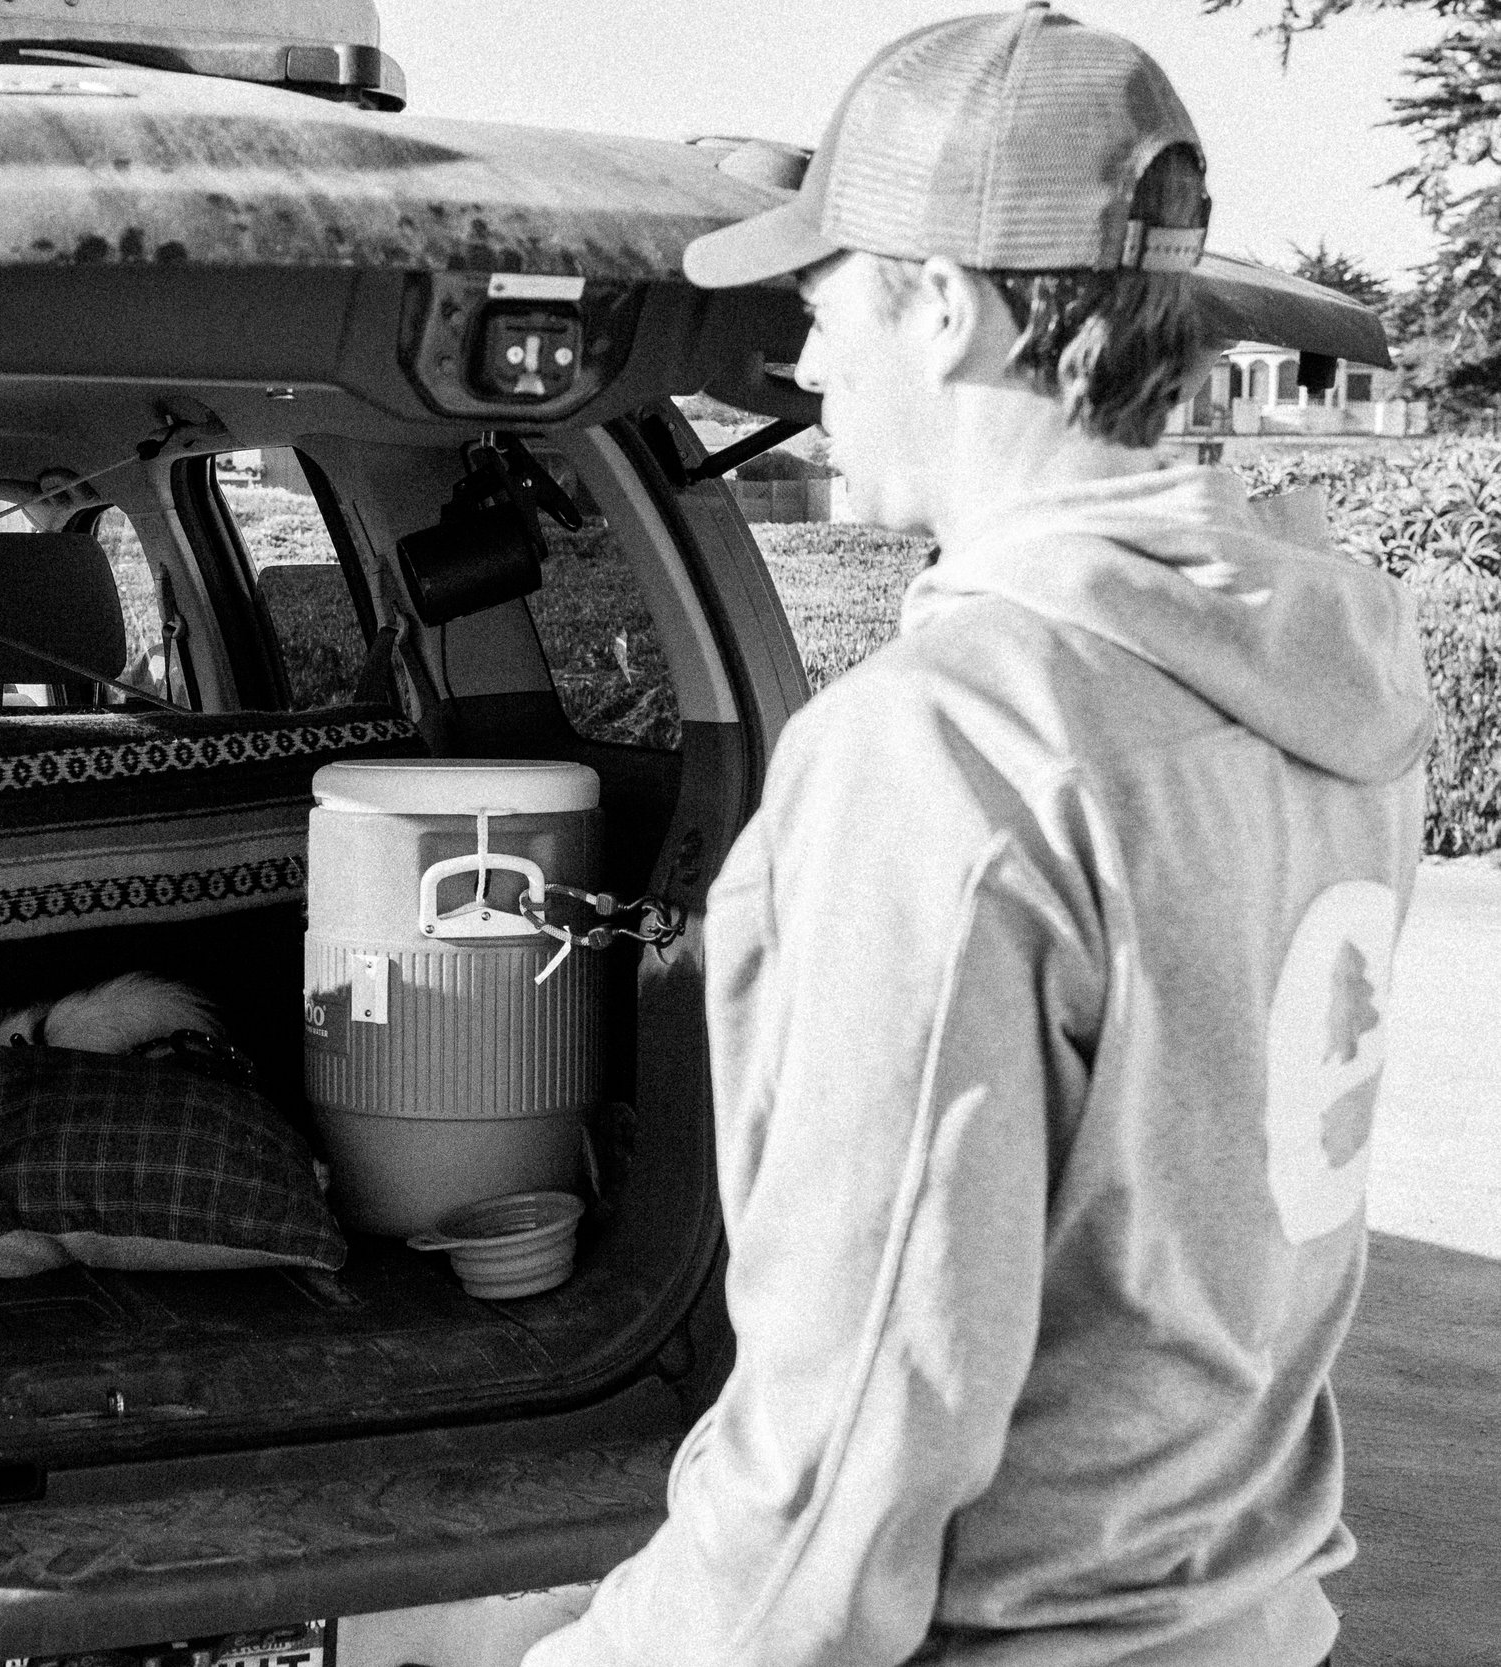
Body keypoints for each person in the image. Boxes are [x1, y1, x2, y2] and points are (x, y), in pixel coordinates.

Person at [523, 7, 1430, 1665]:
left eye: (817, 297)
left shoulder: (945, 753)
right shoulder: (1331, 671)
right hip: (1250, 1615)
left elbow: (860, 1441)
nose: (801, 362)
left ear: (941, 305)